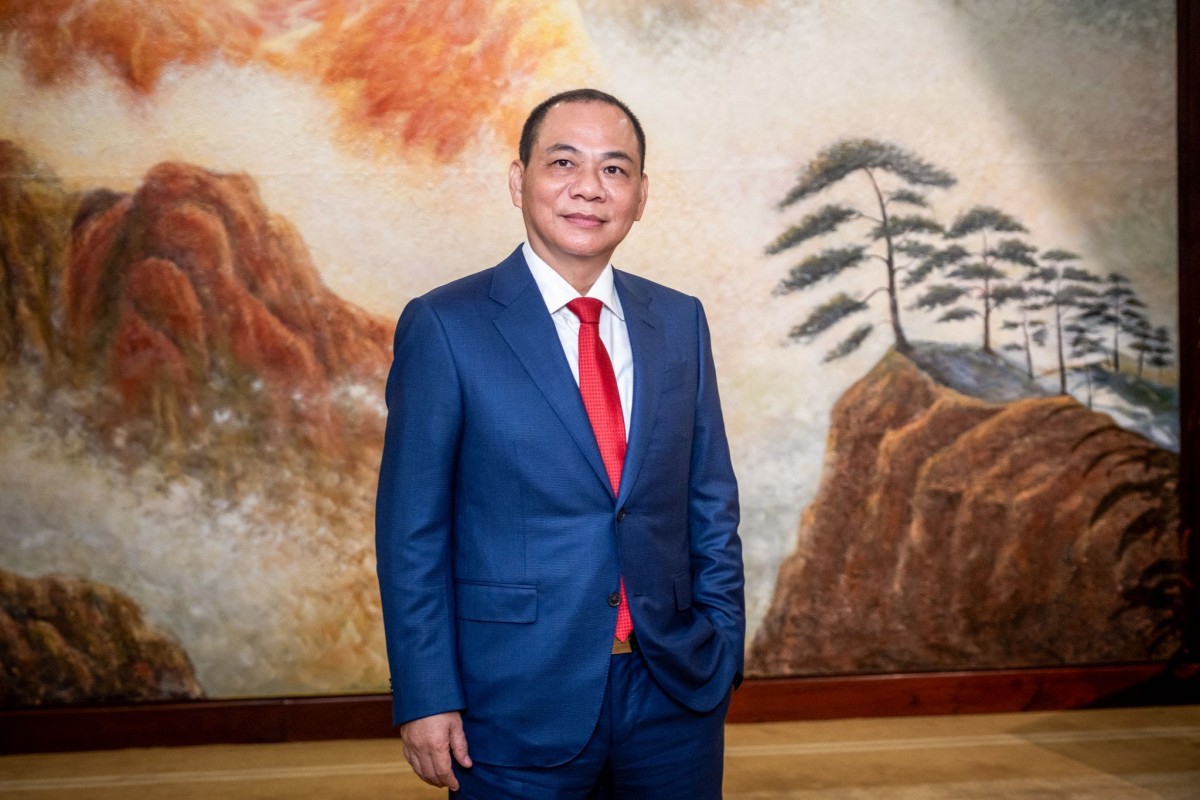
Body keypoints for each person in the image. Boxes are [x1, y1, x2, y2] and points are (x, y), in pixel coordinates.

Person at [375, 88, 744, 799]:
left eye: (615, 169)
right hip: (510, 697)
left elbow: (710, 501)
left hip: (674, 692)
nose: (589, 188)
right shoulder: (446, 326)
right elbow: (411, 531)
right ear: (520, 180)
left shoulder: (679, 321)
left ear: (641, 195)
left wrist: (722, 646)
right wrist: (425, 693)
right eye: (564, 162)